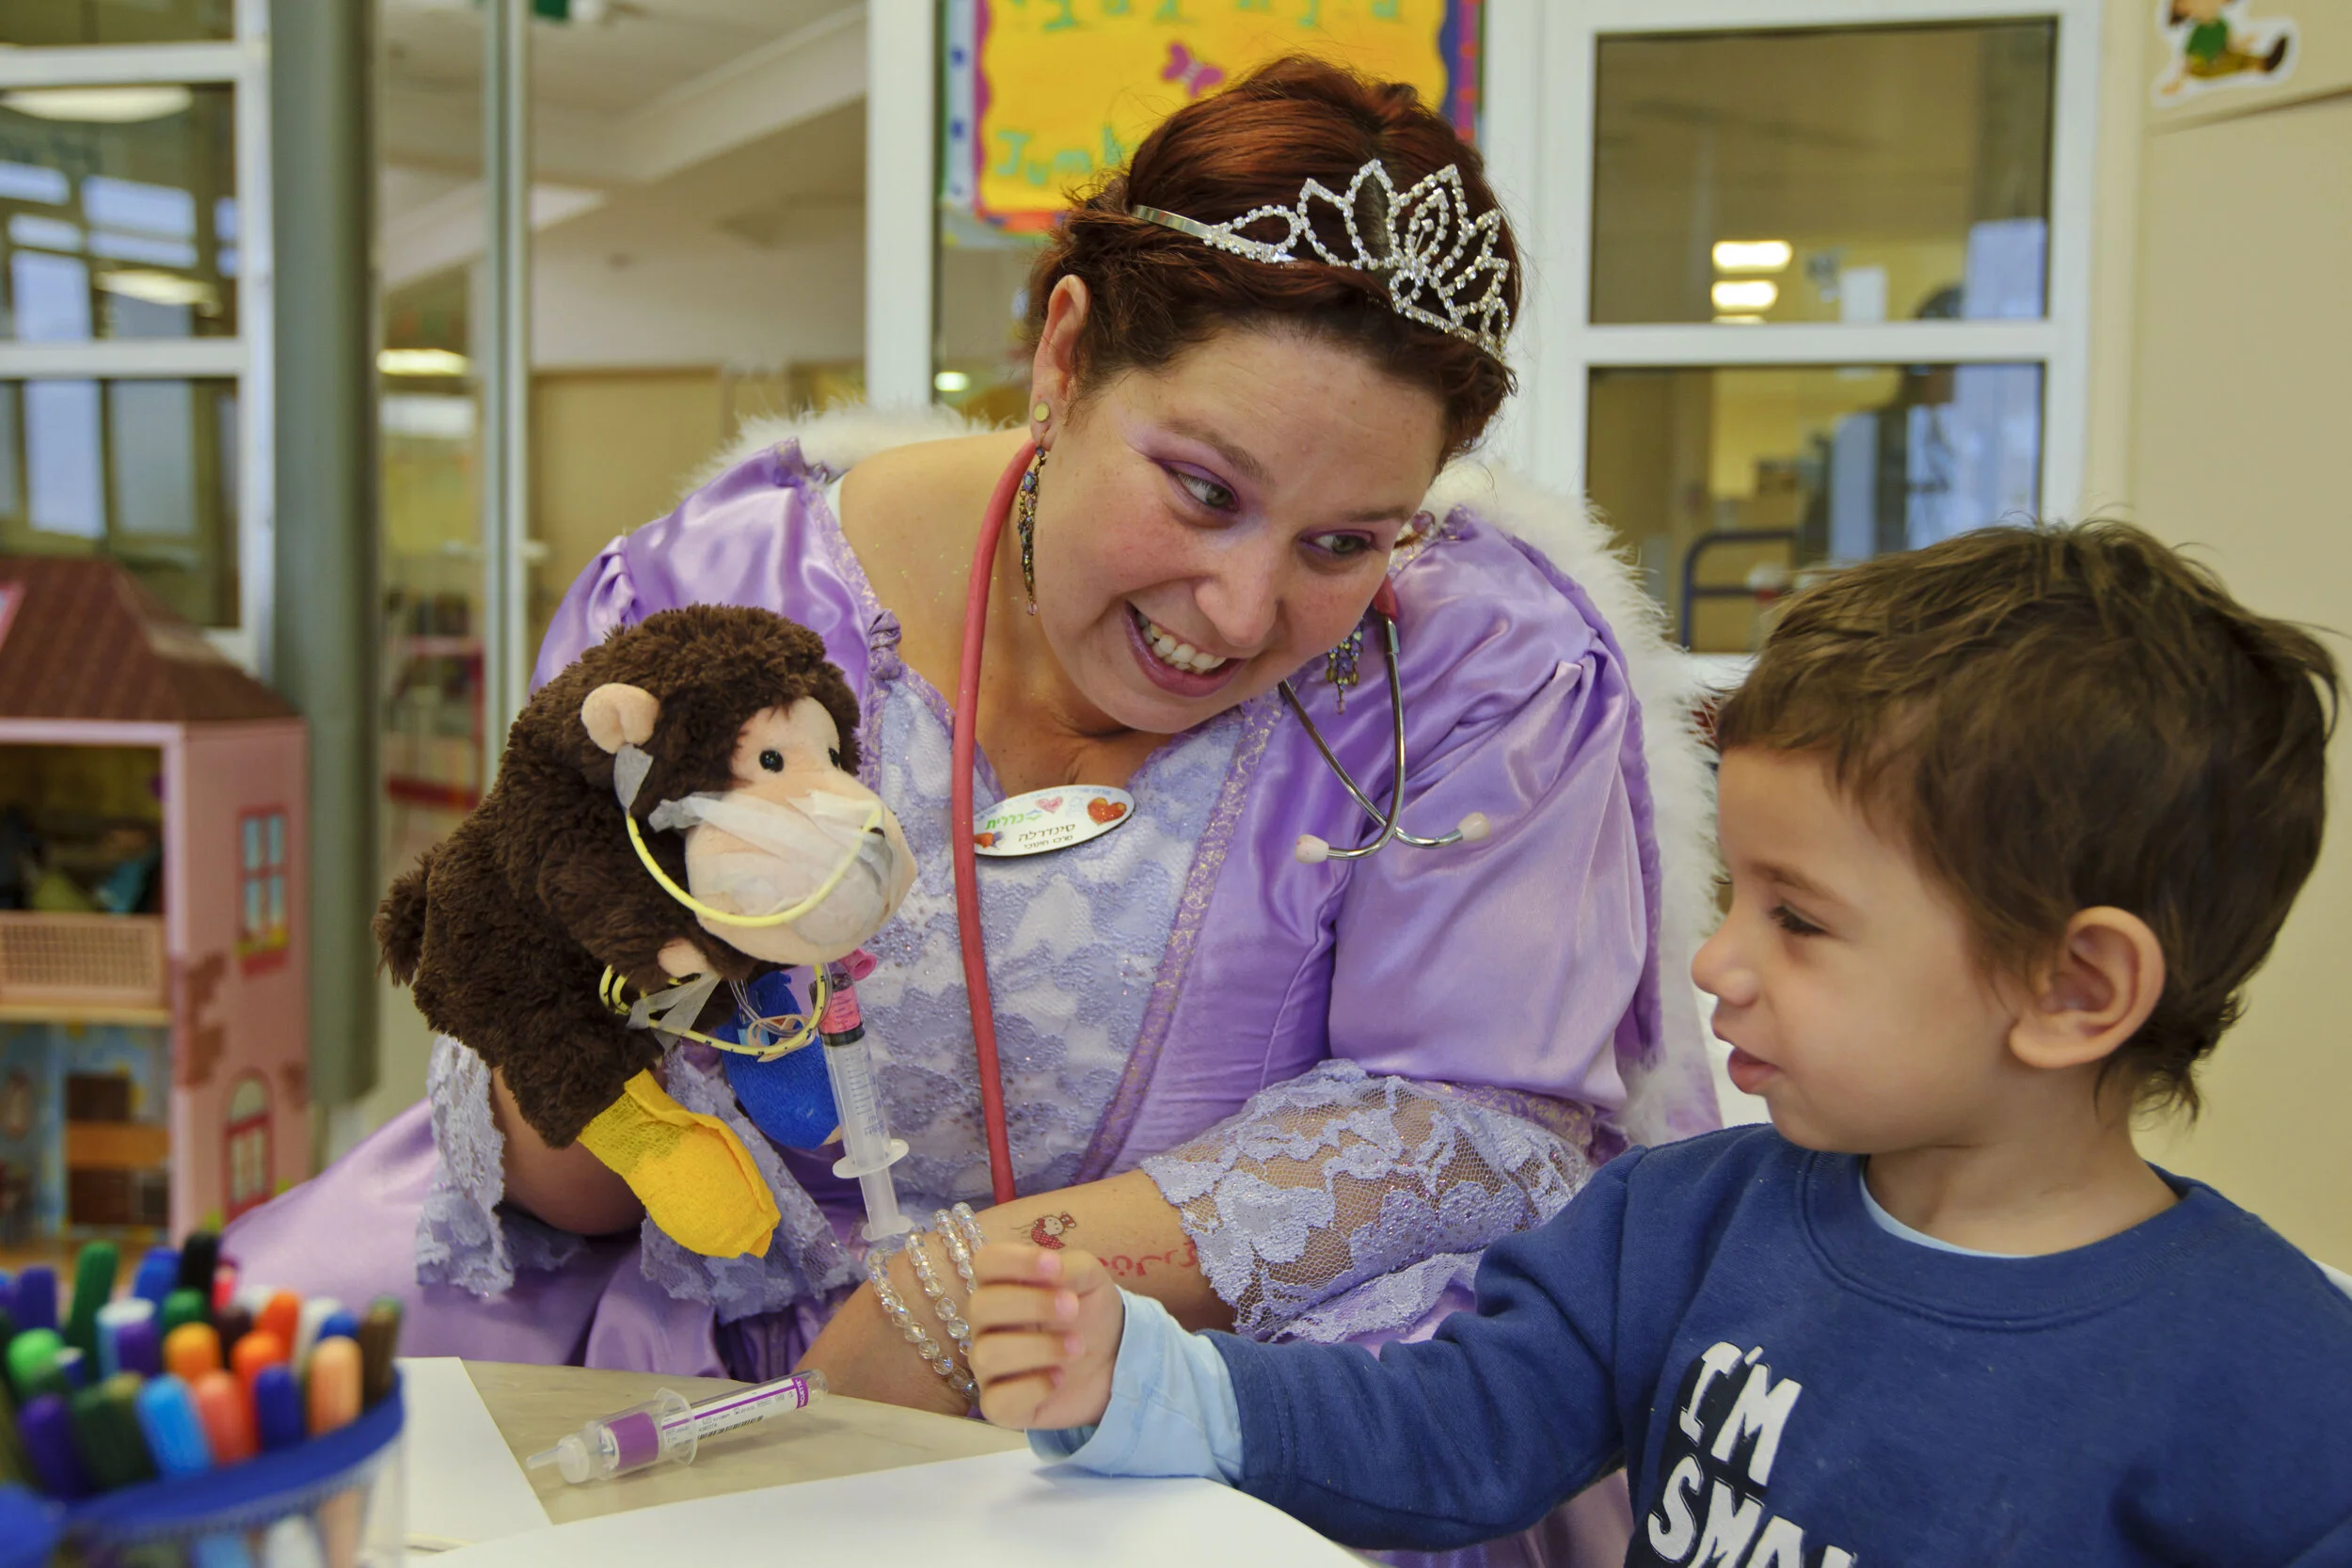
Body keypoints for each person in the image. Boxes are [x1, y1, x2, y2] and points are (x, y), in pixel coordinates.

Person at [225, 57, 1718, 1561]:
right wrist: (591, 1018)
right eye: (1203, 490)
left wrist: (964, 1302)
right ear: (1064, 354)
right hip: (724, 1366)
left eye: (1346, 539)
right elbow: (568, 1158)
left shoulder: (1479, 667)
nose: (1245, 605)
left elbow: (1475, 1116)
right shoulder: (712, 600)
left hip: (1238, 1392)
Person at [968, 521, 2352, 1564]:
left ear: (2075, 986)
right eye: (1732, 894)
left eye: (1800, 920)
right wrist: (1157, 1382)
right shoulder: (1675, 1224)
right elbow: (1452, 1431)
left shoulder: (2282, 1385)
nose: (1715, 963)